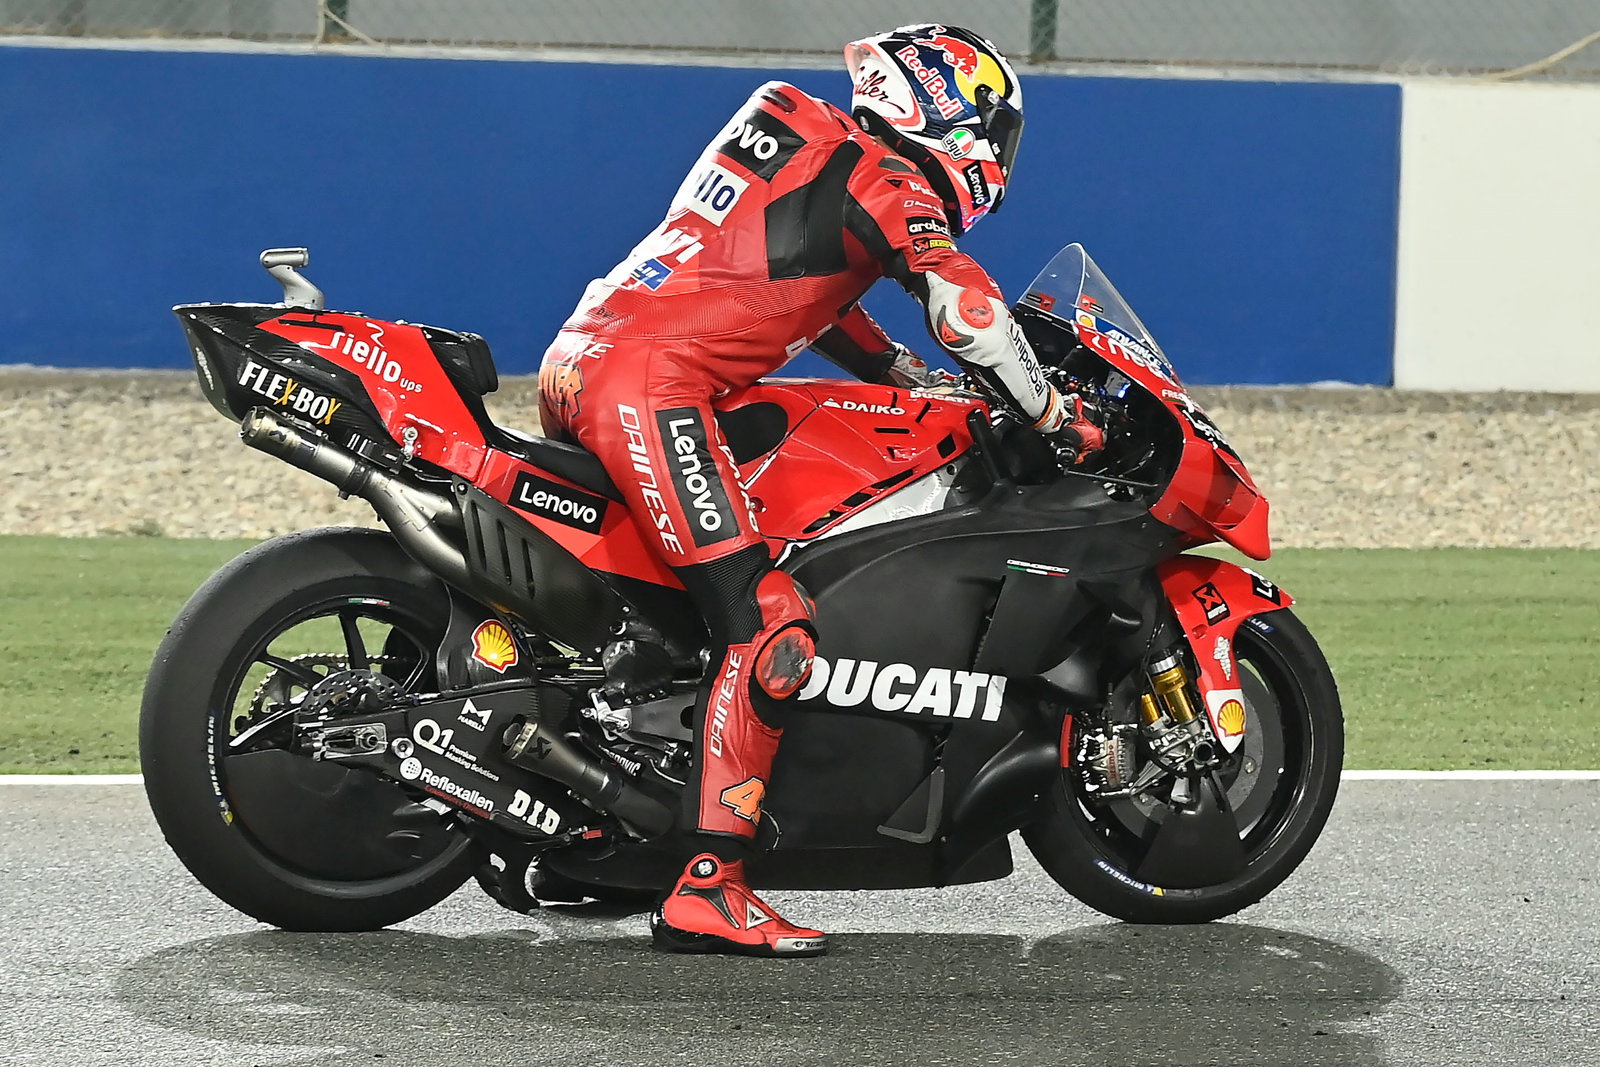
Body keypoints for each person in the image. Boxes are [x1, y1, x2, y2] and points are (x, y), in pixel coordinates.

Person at [537, 24, 1103, 958]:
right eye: (994, 130)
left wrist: (900, 373)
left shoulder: (794, 123)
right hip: (653, 387)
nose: (998, 156)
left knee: (671, 617)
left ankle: (603, 834)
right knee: (766, 621)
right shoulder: (891, 181)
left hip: (584, 362)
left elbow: (795, 272)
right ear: (951, 112)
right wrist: (1051, 414)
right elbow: (969, 313)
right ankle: (710, 884)